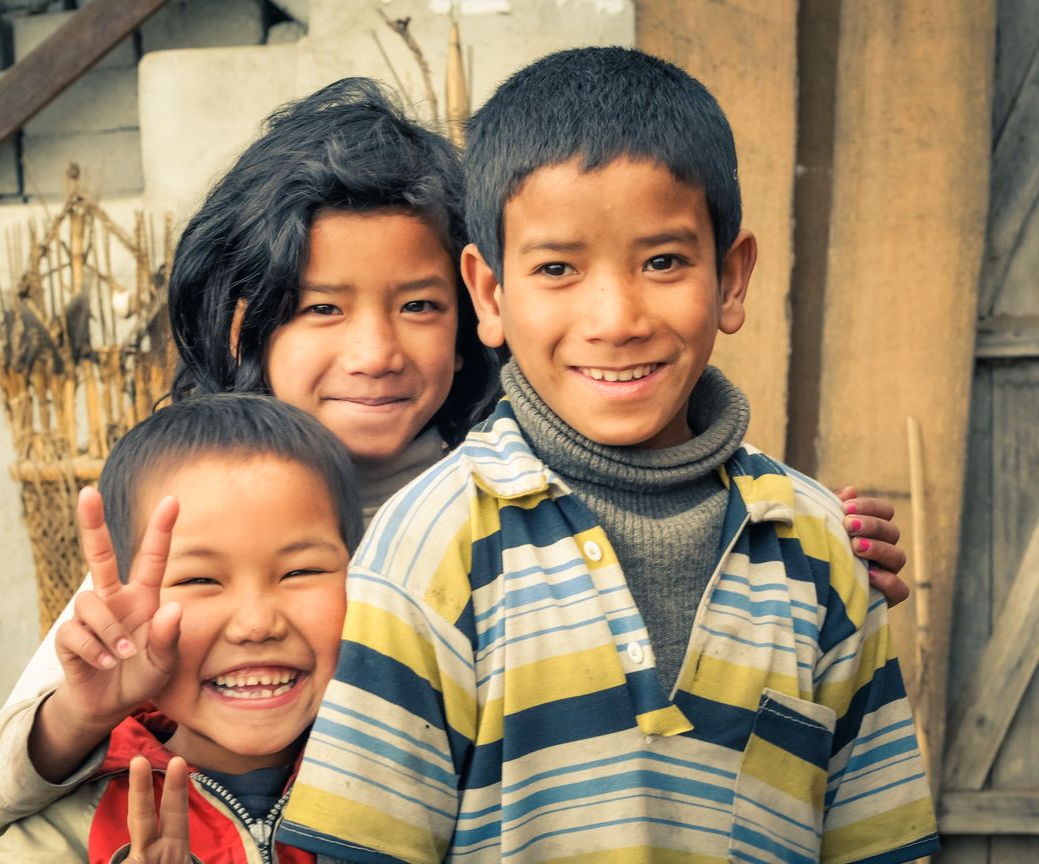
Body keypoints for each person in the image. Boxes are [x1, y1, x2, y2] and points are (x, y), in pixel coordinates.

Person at [0, 77, 910, 847]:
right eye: (323, 309)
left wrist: (799, 552)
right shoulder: (186, 524)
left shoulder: (510, 489)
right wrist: (70, 721)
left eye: (417, 306)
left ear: (473, 310)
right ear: (250, 321)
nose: (377, 351)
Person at [277, 49, 938, 863]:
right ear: (489, 295)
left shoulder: (819, 549)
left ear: (731, 280)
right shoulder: (433, 546)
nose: (616, 317)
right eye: (557, 268)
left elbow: (878, 843)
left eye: (663, 262)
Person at [0, 393, 361, 862]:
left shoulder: (402, 783)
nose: (257, 624)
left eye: (300, 572)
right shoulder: (80, 817)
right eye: (199, 579)